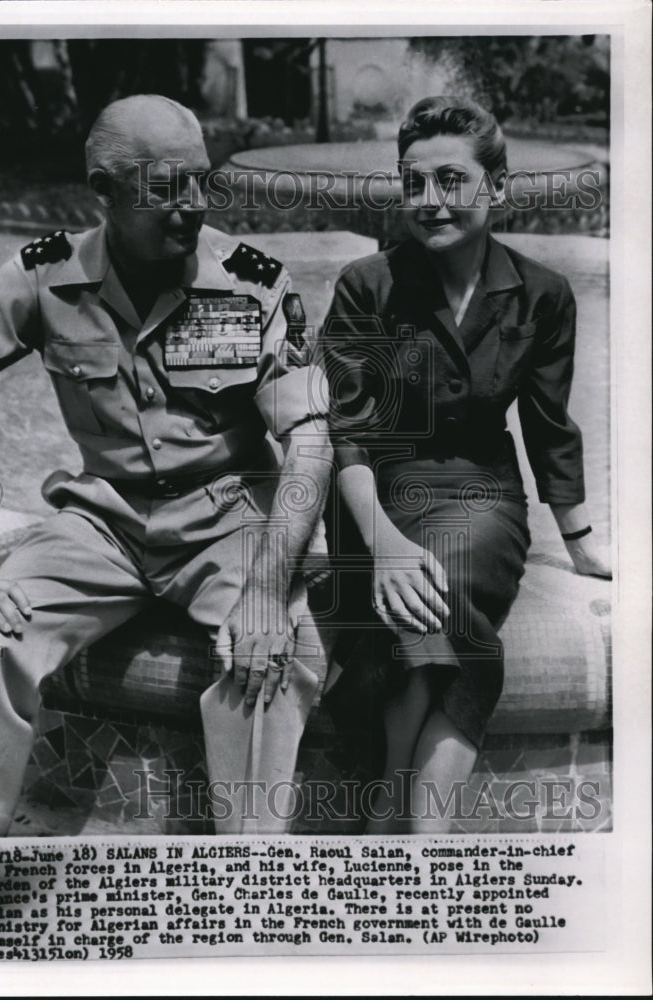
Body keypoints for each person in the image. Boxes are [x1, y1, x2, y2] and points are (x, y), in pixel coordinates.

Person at [0, 95, 331, 837]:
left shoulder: (253, 281)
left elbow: (312, 439)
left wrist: (266, 588)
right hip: (106, 523)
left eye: (200, 180)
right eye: (165, 187)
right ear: (103, 189)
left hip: (231, 515)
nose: (191, 205)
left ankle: (249, 890)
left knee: (272, 656)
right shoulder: (41, 276)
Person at [321, 95, 610, 834]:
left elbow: (548, 426)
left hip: (484, 492)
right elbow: (352, 436)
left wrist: (578, 540)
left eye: (451, 180)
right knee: (424, 589)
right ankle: (423, 833)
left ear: (496, 188)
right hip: (377, 495)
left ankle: (395, 805)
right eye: (413, 182)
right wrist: (381, 545)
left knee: (449, 571)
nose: (429, 201)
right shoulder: (370, 286)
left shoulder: (541, 296)